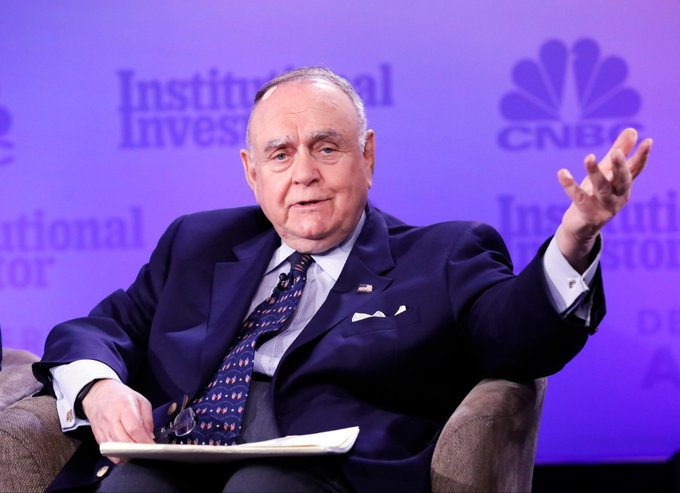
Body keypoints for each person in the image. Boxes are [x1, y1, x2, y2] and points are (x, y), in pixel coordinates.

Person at [34, 67, 651, 493]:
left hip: (330, 476)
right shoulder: (197, 243)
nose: (303, 173)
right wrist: (100, 390)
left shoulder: (441, 254)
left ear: (367, 156)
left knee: (262, 487)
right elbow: (93, 330)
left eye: (326, 148)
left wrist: (575, 239)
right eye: (280, 154)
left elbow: (517, 336)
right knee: (137, 485)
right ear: (252, 173)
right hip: (179, 459)